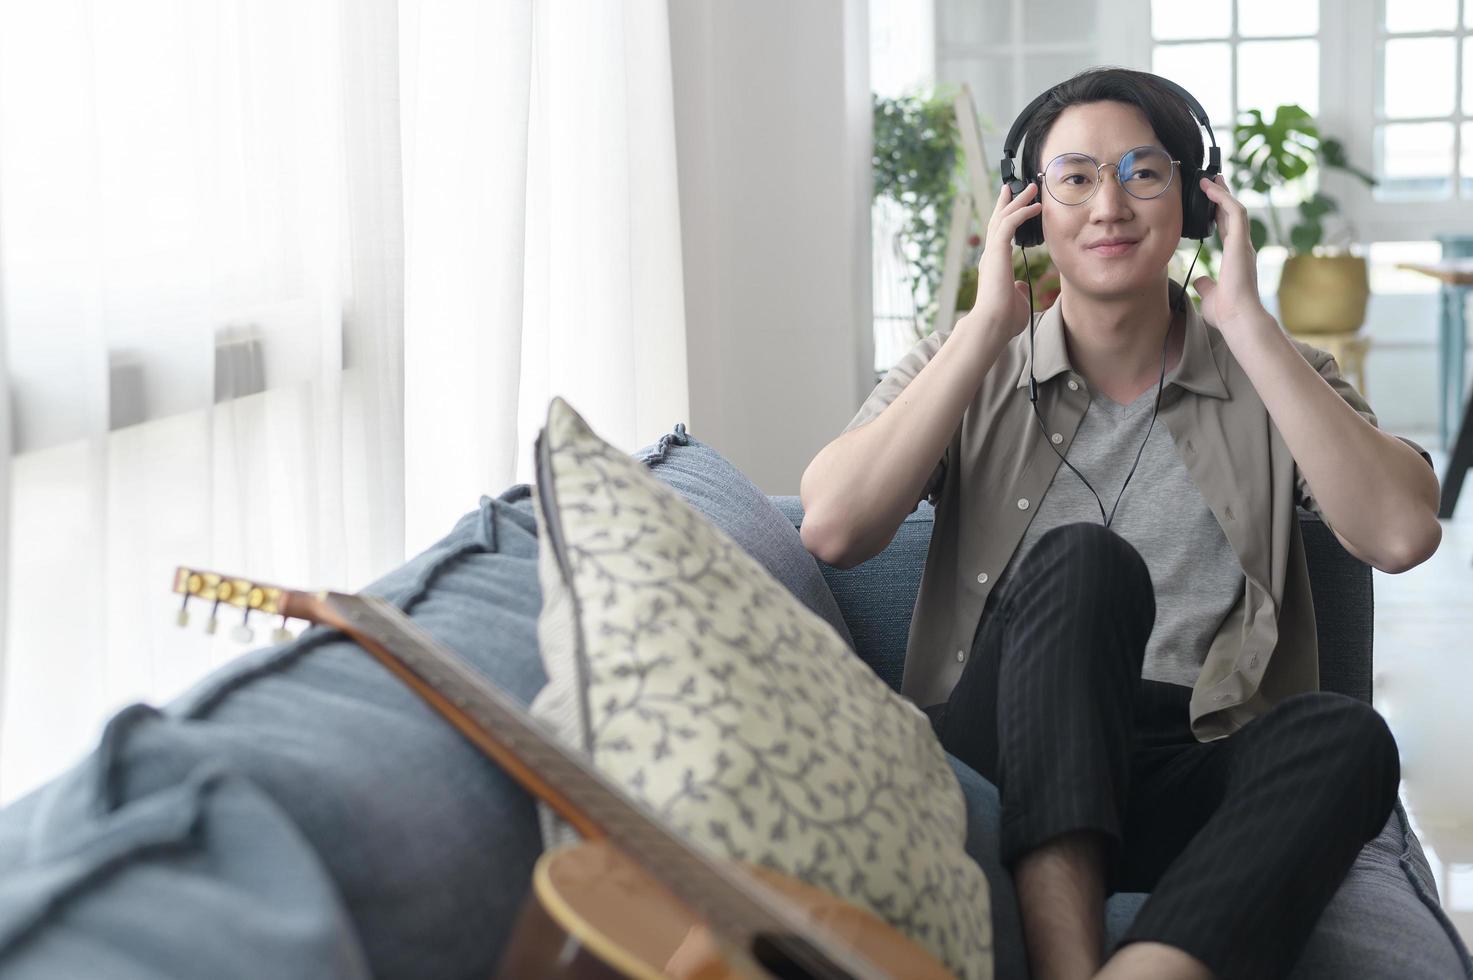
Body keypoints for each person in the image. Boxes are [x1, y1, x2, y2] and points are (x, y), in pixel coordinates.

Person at [799, 67, 1442, 980]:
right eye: (1073, 177)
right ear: (1030, 212)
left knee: (1348, 736)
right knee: (1088, 564)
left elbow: (1400, 536)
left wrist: (1249, 326)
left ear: (1192, 204)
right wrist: (984, 329)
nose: (1109, 205)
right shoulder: (969, 361)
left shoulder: (1270, 371)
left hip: (1192, 761)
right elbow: (831, 528)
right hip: (1005, 759)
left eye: (1143, 174)